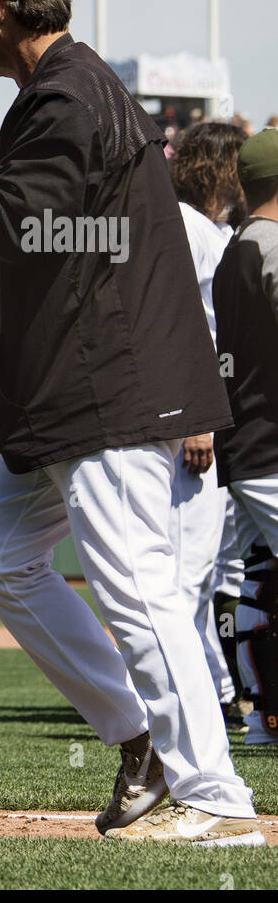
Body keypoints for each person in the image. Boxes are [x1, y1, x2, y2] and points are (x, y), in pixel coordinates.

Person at [0, 0, 261, 845]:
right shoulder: (72, 88)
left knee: (136, 590)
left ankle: (213, 794)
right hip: (69, 385)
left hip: (110, 382)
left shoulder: (64, 94)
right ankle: (139, 740)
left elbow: (24, 230)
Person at [166, 121, 249, 720]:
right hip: (194, 418)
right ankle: (194, 701)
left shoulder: (213, 228)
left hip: (221, 415)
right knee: (187, 574)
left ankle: (217, 693)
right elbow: (185, 330)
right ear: (217, 167)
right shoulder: (189, 227)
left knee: (213, 569)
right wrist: (198, 419)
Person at [213, 128, 278, 748]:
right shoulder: (271, 245)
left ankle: (263, 719)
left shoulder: (238, 245)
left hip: (244, 445)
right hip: (269, 449)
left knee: (258, 580)